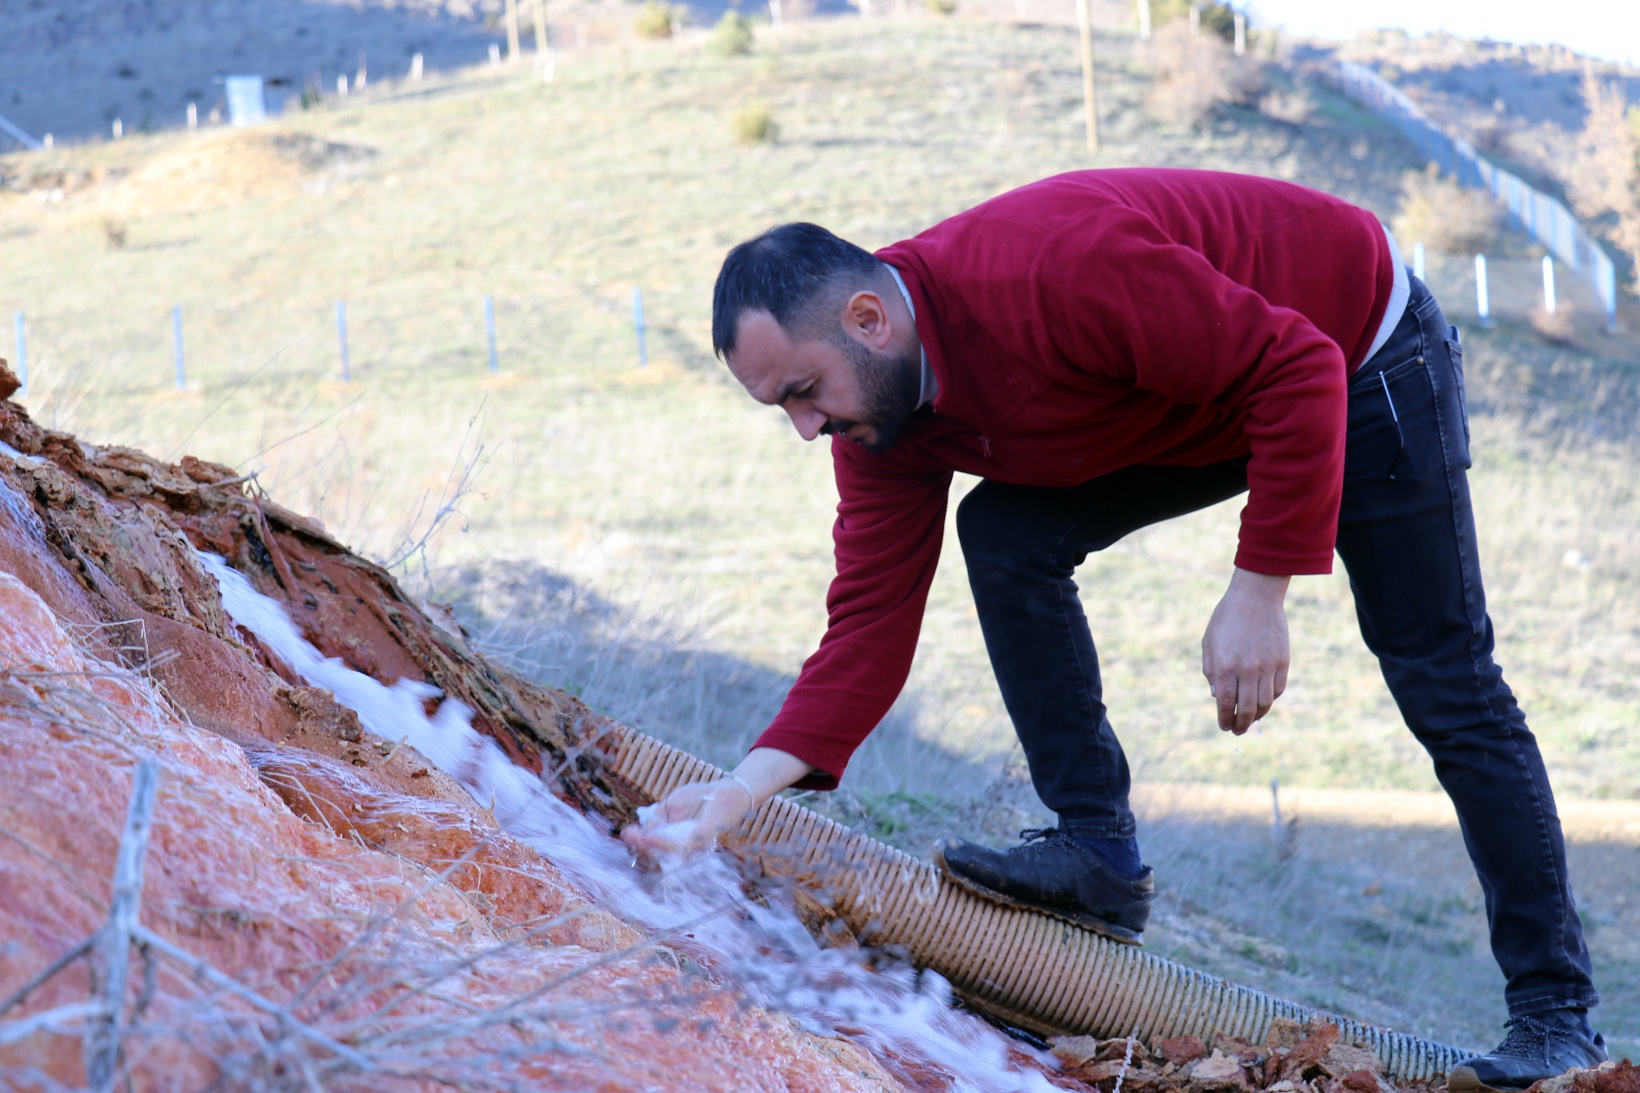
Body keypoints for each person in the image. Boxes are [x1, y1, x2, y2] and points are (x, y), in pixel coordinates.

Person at [622, 168, 1605, 1092]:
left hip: (1352, 349)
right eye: (781, 408)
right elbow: (866, 626)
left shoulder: (1049, 270)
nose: (803, 427)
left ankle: (1555, 1015)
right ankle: (1095, 850)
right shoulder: (878, 426)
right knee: (1002, 533)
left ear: (867, 319)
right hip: (1206, 397)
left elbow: (1294, 363)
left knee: (1443, 679)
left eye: (801, 391)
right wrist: (734, 794)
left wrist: (1258, 586)